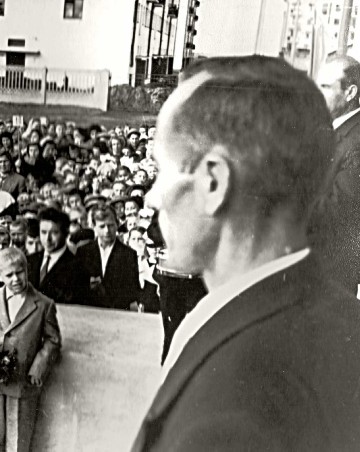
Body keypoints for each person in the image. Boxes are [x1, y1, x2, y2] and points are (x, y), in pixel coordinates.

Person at [131, 56, 360, 451]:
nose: (153, 197)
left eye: (163, 169)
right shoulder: (341, 323)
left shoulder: (233, 404)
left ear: (215, 182)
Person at [0, 247, 61, 452]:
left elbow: (52, 340)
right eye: (9, 275)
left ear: (27, 270)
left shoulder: (43, 304)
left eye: (20, 272)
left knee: (18, 441)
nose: (16, 279)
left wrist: (39, 366)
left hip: (22, 382)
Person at [312, 55, 360, 295]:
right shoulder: (331, 128)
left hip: (331, 274)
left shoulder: (357, 140)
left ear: (350, 93)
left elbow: (338, 207)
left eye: (325, 87)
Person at [75, 204, 141, 310]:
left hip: (117, 313)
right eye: (102, 226)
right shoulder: (83, 252)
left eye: (110, 225)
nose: (107, 231)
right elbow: (76, 289)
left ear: (117, 224)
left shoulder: (128, 254)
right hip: (90, 312)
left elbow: (132, 292)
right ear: (94, 226)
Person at [27, 207, 86, 305]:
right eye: (43, 232)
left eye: (54, 233)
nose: (47, 239)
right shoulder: (29, 261)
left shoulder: (77, 267)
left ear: (65, 233)